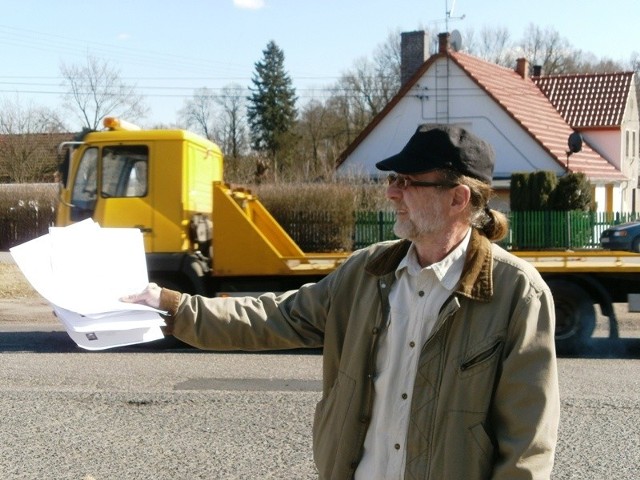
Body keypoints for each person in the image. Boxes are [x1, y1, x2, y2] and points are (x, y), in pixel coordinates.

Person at [124, 124, 560, 479]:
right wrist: (174, 305)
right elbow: (272, 317)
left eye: (407, 182)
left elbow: (528, 444)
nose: (391, 193)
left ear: (458, 198)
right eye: (393, 179)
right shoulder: (366, 273)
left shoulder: (516, 292)